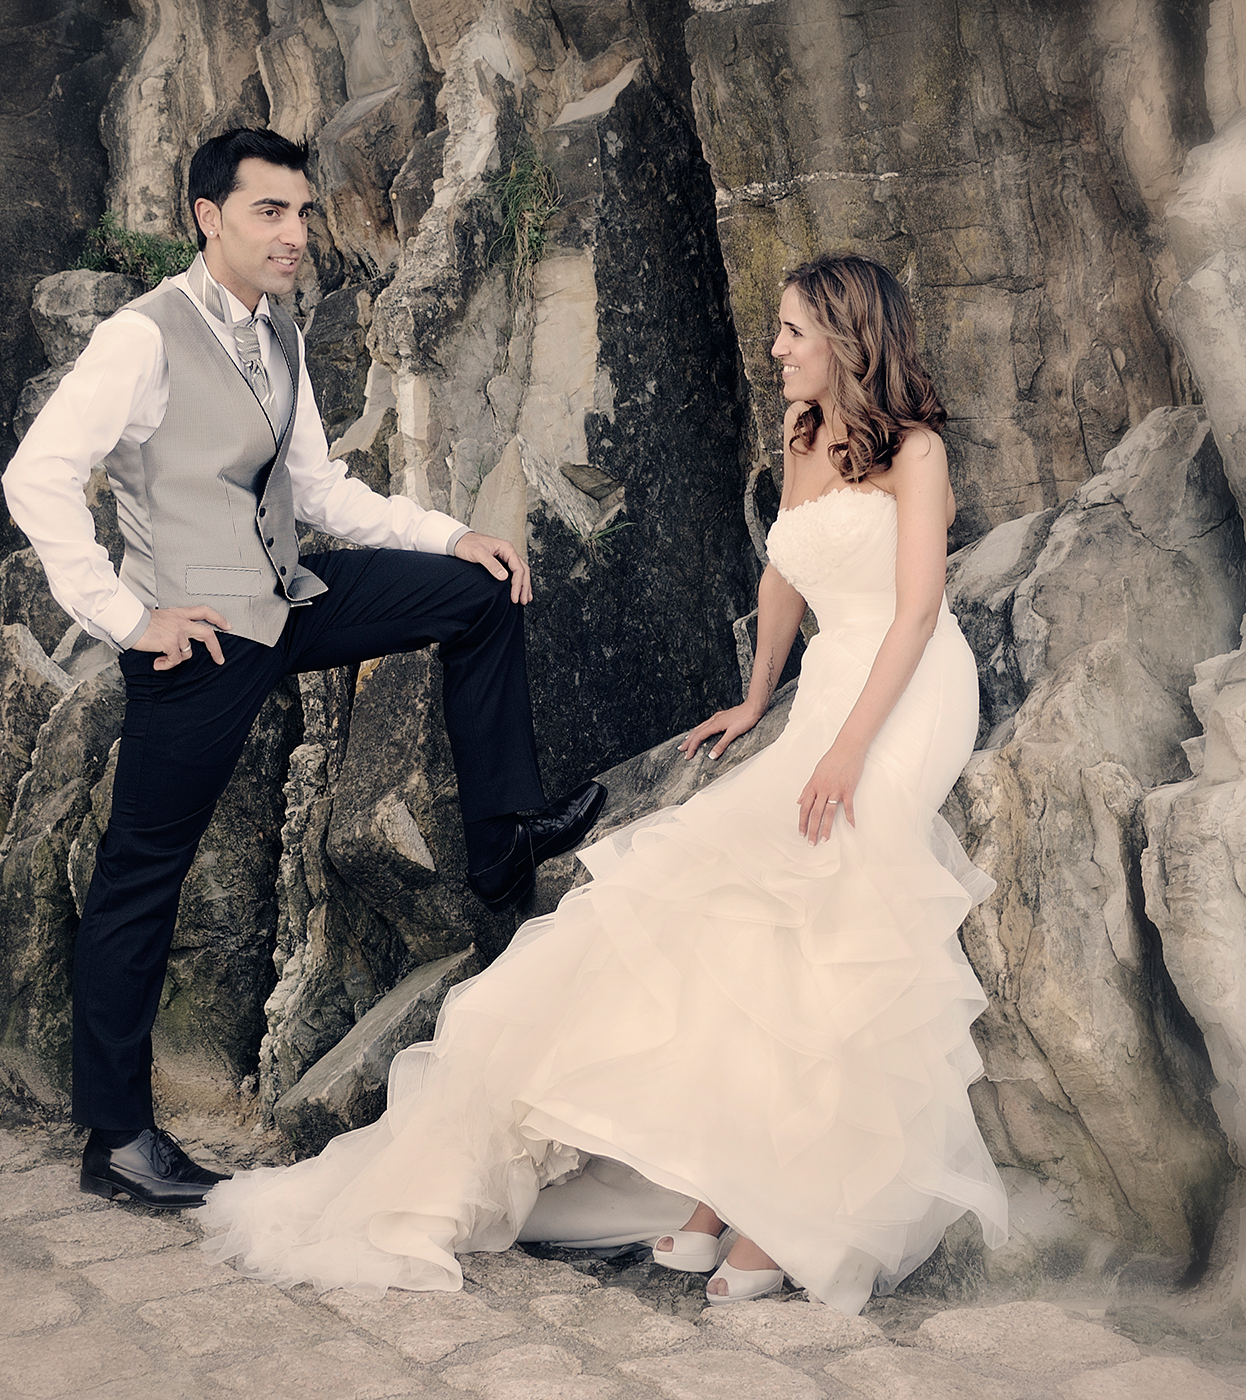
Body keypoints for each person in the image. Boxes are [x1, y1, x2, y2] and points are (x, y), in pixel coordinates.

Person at [197, 252, 1009, 1312]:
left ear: (847, 339)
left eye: (792, 331)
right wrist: (755, 697)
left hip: (911, 690)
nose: (774, 348)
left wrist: (850, 748)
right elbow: (784, 572)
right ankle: (724, 1186)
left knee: (829, 885)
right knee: (719, 900)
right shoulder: (804, 432)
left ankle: (781, 1210)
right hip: (827, 687)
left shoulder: (917, 451)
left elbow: (914, 613)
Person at [1, 127, 606, 1213]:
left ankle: (500, 844)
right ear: (208, 217)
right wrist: (128, 618)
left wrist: (447, 534)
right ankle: (118, 1140)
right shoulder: (142, 338)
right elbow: (36, 477)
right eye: (269, 212)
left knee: (477, 593)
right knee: (141, 877)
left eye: (302, 212)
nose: (294, 233)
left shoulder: (277, 327)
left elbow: (320, 489)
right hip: (199, 639)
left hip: (289, 598)